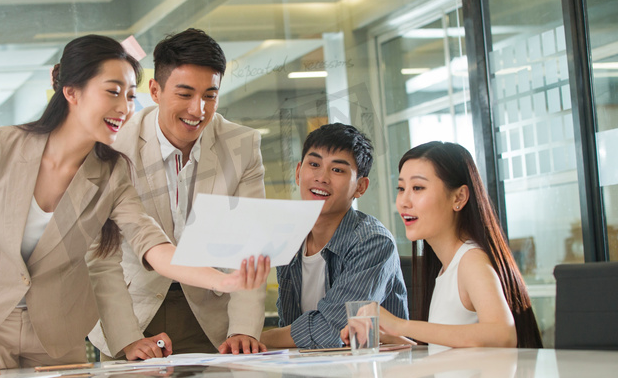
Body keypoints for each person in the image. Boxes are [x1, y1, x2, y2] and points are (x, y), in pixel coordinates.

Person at [0, 34, 270, 369]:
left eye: (130, 96)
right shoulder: (4, 145)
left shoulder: (112, 170)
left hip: (55, 338)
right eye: (113, 92)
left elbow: (151, 244)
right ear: (71, 91)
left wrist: (221, 280)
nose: (124, 108)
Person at [88, 28, 267, 360]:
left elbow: (250, 248)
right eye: (185, 94)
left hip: (212, 318)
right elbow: (102, 256)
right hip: (132, 314)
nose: (198, 109)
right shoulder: (115, 145)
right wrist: (124, 336)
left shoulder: (242, 146)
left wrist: (242, 328)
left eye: (209, 95)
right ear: (155, 90)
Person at [342, 141, 542, 350]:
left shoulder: (471, 260)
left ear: (459, 197)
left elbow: (503, 335)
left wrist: (400, 325)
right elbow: (447, 352)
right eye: (401, 188)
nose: (403, 201)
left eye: (418, 188)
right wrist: (389, 337)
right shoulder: (446, 267)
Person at [261, 123, 408, 349]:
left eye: (337, 170)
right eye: (314, 164)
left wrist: (257, 339)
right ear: (299, 172)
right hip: (310, 373)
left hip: (370, 375)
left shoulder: (372, 242)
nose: (322, 177)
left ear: (361, 186)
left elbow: (329, 332)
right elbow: (291, 323)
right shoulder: (290, 236)